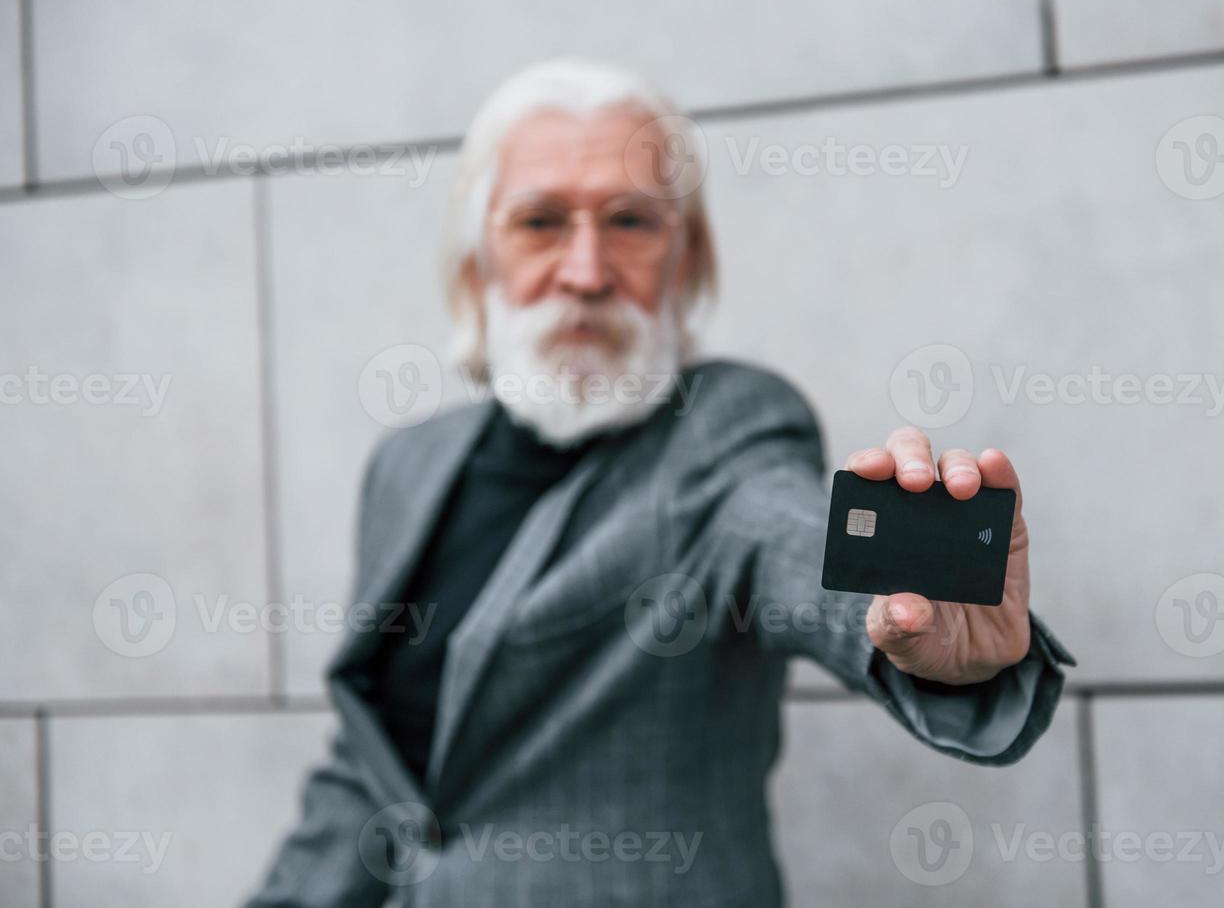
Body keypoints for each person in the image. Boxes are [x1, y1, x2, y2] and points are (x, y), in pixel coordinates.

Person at [247, 58, 1073, 907]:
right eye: (539, 222)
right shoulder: (409, 466)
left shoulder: (725, 429)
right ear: (476, 262)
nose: (586, 271)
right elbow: (372, 764)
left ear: (686, 261)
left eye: (631, 221)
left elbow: (781, 530)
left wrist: (928, 636)